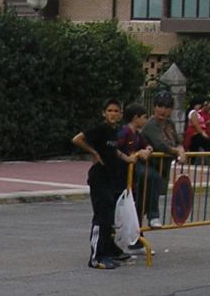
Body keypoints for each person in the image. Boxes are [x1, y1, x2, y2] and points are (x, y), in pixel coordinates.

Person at [72, 99, 140, 269]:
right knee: (101, 216)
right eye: (110, 111)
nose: (113, 114)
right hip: (99, 177)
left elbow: (113, 150)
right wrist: (94, 153)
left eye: (116, 111)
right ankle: (96, 257)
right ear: (104, 113)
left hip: (110, 177)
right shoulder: (100, 129)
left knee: (109, 217)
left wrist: (127, 158)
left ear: (120, 114)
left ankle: (108, 250)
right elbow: (77, 139)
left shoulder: (113, 131)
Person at [141, 91, 186, 227]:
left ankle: (137, 231)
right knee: (143, 198)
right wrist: (178, 152)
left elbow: (177, 140)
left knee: (148, 198)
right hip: (147, 166)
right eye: (160, 106)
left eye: (167, 107)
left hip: (162, 167)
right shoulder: (151, 125)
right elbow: (160, 145)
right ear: (154, 107)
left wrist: (181, 149)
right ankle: (153, 217)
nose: (163, 110)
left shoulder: (169, 124)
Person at [117, 102, 158, 234]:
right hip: (126, 172)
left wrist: (147, 150)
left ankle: (137, 234)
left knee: (139, 203)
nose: (146, 120)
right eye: (144, 117)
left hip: (135, 174)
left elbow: (147, 145)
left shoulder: (137, 134)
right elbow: (115, 147)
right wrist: (128, 156)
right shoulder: (125, 132)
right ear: (136, 118)